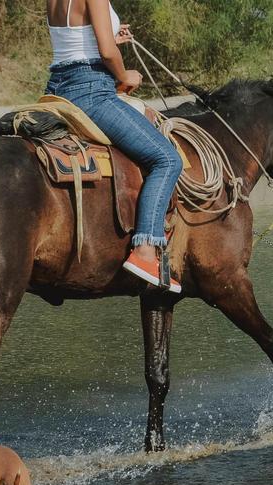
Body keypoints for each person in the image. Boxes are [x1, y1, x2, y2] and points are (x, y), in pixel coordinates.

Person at [45, 0, 183, 293]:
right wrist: (124, 76)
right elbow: (107, 53)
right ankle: (146, 250)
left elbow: (76, 42)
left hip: (57, 87)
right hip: (91, 90)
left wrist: (110, 31)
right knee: (167, 160)